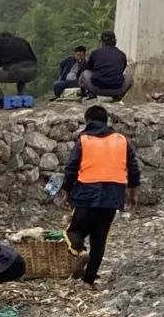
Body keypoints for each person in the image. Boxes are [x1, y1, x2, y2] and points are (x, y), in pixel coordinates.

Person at [58, 105, 141, 287]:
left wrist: (66, 191)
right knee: (100, 237)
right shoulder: (121, 140)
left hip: (87, 192)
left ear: (87, 121)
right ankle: (89, 279)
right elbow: (133, 169)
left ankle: (80, 251)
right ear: (106, 121)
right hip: (113, 196)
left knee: (74, 231)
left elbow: (71, 168)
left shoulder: (84, 140)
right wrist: (133, 193)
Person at [0, 31, 39, 107]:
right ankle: (21, 96)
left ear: (0, 38)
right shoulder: (22, 41)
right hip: (32, 71)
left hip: (15, 71)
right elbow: (33, 58)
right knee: (21, 74)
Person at [80, 31, 134, 101]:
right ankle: (117, 97)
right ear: (115, 41)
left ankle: (91, 95)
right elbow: (122, 70)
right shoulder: (122, 54)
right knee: (129, 78)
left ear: (102, 42)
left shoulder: (95, 53)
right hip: (117, 89)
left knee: (85, 73)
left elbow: (89, 68)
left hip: (96, 88)